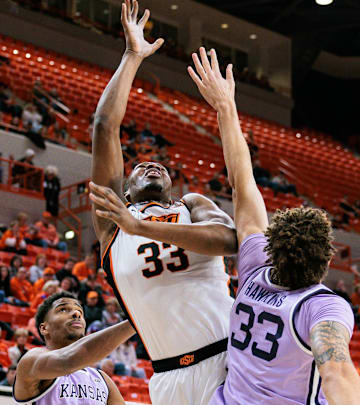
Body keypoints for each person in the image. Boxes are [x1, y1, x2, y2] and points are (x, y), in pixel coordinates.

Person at [184, 46, 360, 404]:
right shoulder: (321, 306)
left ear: (273, 249)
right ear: (325, 262)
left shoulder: (254, 269)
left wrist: (226, 107)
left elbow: (242, 182)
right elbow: (336, 371)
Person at [87, 5, 236, 404]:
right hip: (169, 378)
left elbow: (230, 239)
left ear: (171, 190)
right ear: (126, 193)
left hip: (231, 359)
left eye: (160, 167)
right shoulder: (113, 224)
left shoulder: (191, 204)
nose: (151, 163)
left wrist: (145, 228)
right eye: (139, 167)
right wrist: (132, 56)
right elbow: (104, 128)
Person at [14, 291, 133, 404]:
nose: (76, 314)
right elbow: (67, 359)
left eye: (80, 311)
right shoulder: (31, 360)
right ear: (44, 328)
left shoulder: (103, 379)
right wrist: (135, 323)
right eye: (63, 309)